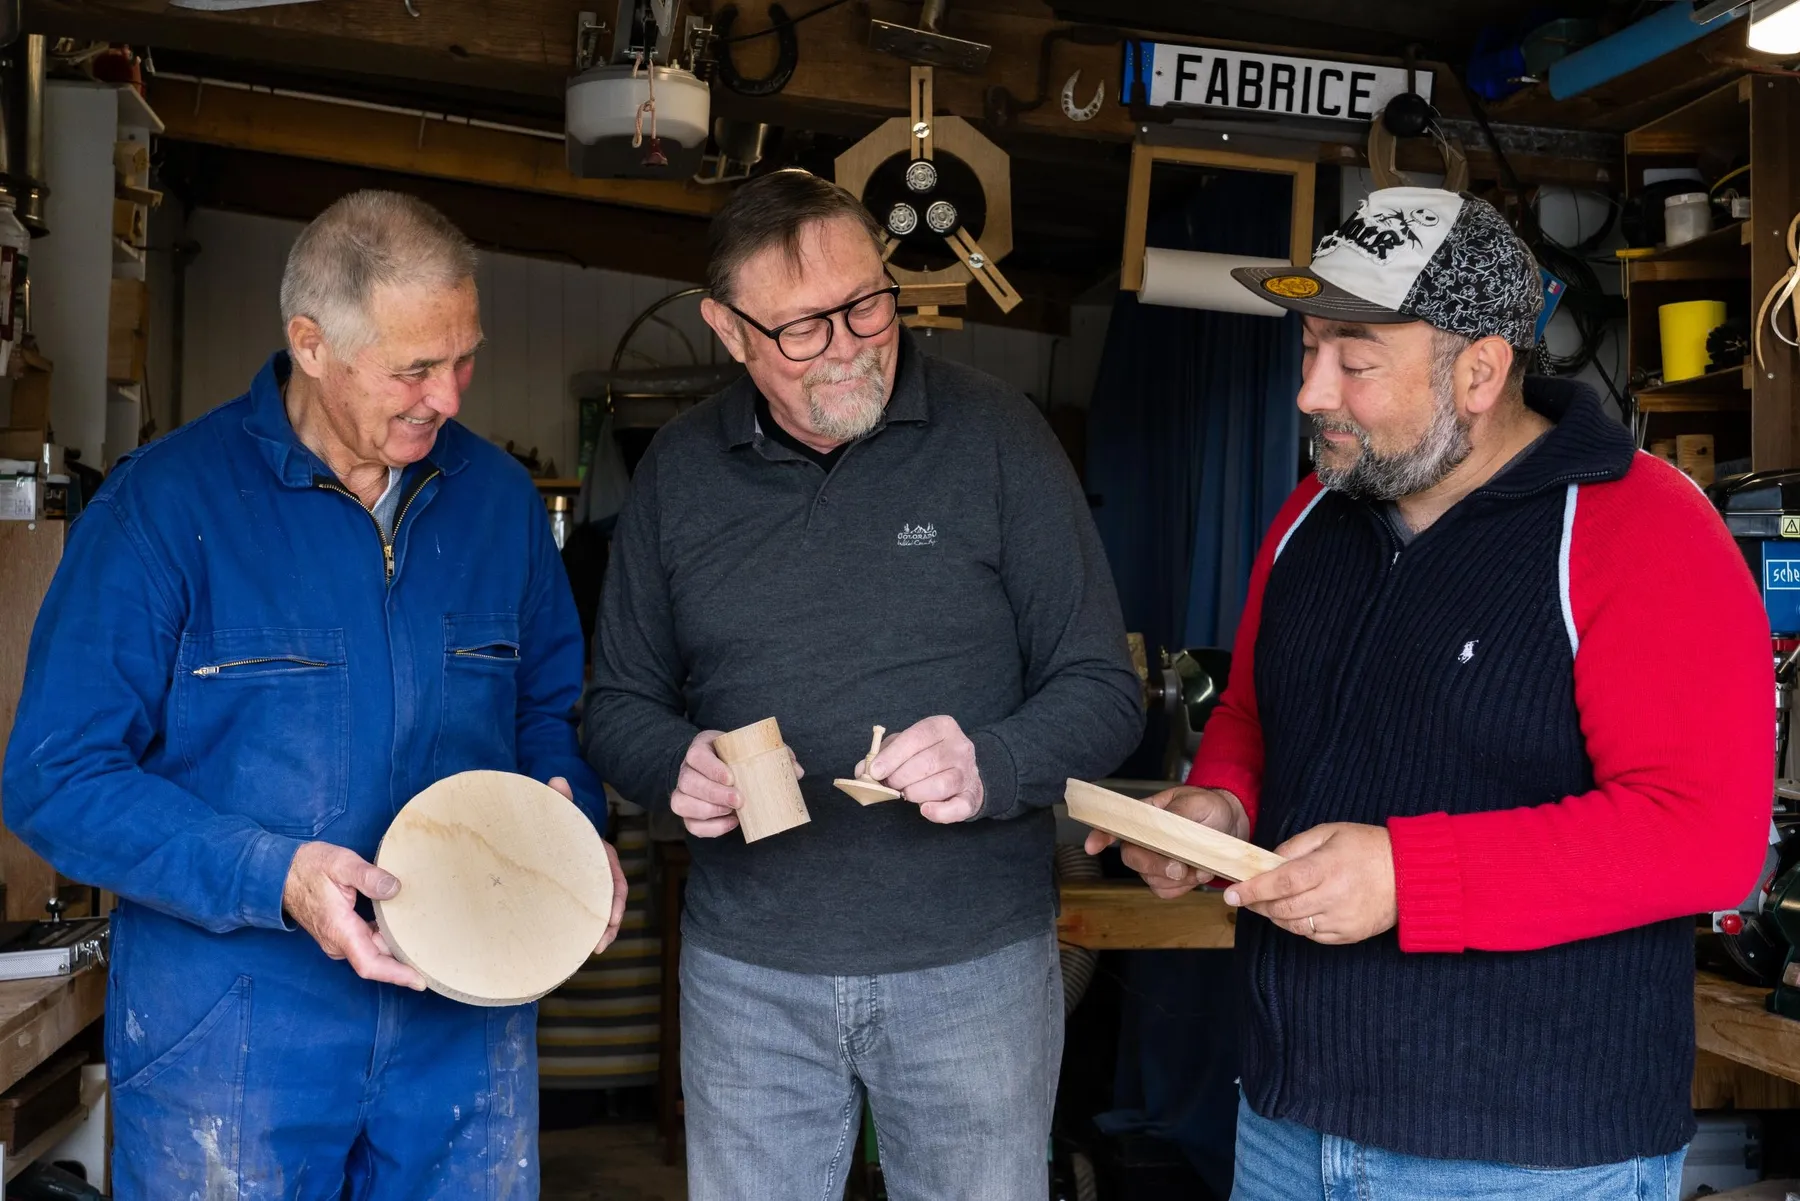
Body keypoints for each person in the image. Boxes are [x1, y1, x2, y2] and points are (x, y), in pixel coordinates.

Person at [1090, 187, 1773, 1200]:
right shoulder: (1311, 515)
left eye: (1355, 362)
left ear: (1481, 370)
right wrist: (1220, 798)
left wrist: (1411, 876)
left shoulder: (1641, 528)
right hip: (1287, 1119)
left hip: (1529, 1158)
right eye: (1311, 347)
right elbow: (1255, 714)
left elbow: (1705, 837)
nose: (1312, 392)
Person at [3, 190, 627, 1198]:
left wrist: (568, 824)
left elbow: (552, 713)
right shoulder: (164, 508)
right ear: (312, 343)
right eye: (415, 368)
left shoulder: (499, 504)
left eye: (462, 356)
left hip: (463, 1028)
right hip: (238, 1028)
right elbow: (55, 778)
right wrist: (275, 874)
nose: (452, 397)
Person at [586, 169, 1143, 1200]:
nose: (849, 344)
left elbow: (1103, 687)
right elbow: (615, 704)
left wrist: (994, 761)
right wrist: (677, 762)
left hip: (973, 968)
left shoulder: (998, 436)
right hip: (750, 976)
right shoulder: (678, 471)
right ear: (727, 328)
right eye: (802, 328)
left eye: (868, 303)